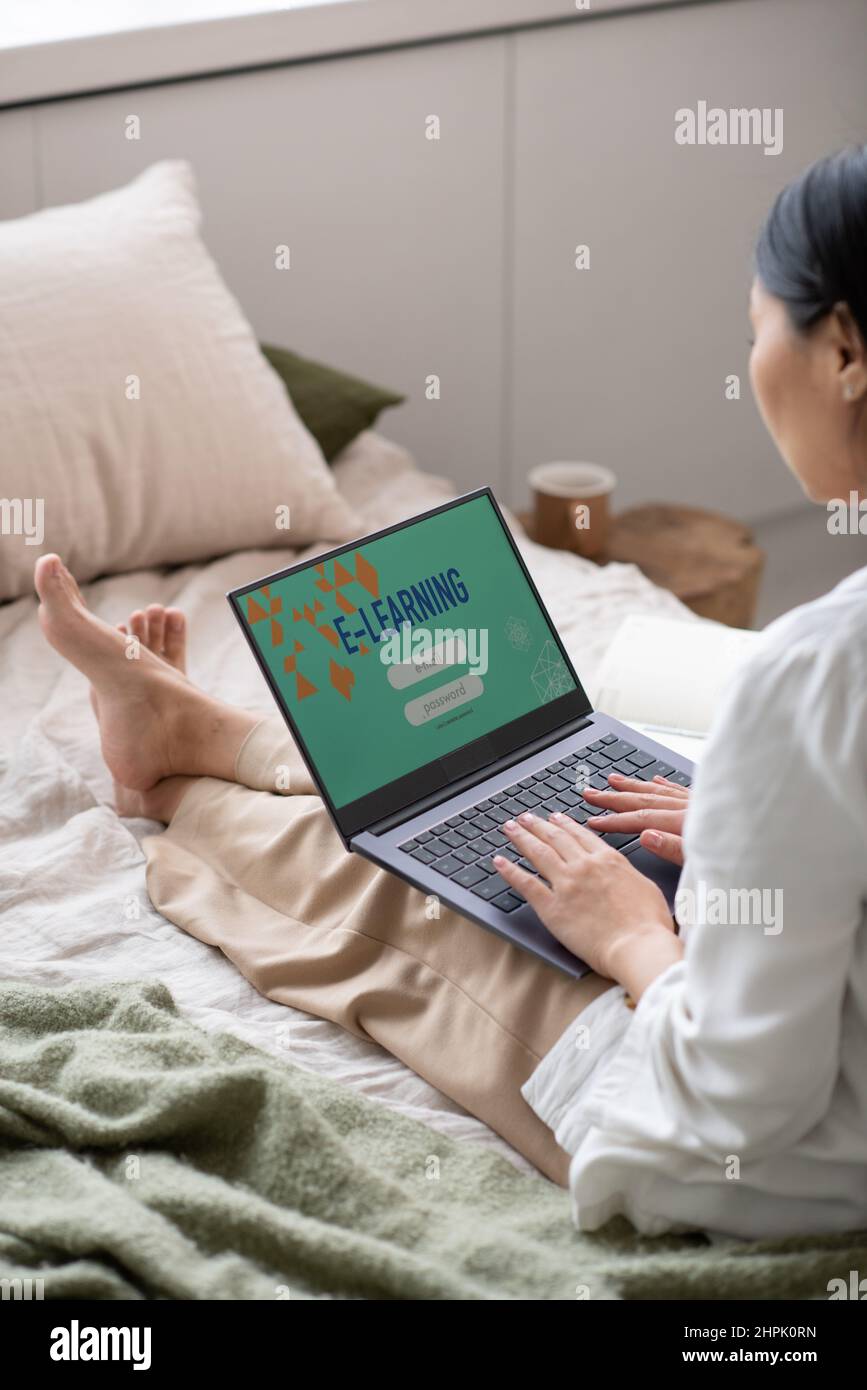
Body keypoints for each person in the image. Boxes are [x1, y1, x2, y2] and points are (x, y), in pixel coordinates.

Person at [35, 145, 867, 1238]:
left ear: (843, 348)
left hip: (771, 1176)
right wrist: (754, 831)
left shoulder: (813, 676)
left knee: (391, 886)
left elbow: (733, 1106)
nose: (751, 359)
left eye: (758, 329)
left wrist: (631, 941)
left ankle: (175, 774)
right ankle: (217, 734)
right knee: (506, 809)